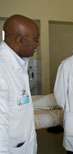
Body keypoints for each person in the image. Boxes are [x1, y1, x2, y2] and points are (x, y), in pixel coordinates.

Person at [0, 14, 40, 154]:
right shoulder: (2, 70)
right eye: (36, 39)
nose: (38, 44)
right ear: (20, 40)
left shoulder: (19, 63)